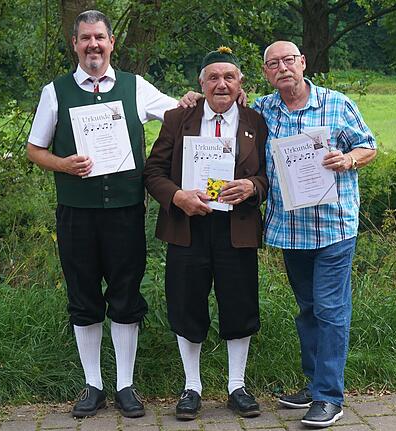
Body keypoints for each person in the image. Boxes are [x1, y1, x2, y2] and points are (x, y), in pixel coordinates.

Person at [26, 10, 181, 419]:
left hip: (126, 211)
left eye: (100, 38)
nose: (93, 45)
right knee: (83, 295)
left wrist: (213, 96)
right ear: (74, 44)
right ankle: (93, 384)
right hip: (77, 212)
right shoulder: (55, 92)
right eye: (85, 39)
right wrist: (63, 165)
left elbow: (180, 112)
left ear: (113, 42)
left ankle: (126, 385)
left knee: (126, 295)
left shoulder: (135, 87)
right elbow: (35, 149)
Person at [252, 41, 377, 428]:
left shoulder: (336, 103)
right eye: (274, 64)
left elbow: (368, 145)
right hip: (291, 230)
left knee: (329, 308)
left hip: (333, 226)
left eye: (289, 60)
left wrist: (348, 159)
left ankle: (329, 397)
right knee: (307, 309)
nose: (283, 68)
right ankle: (314, 383)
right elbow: (224, 103)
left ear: (303, 63)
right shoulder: (262, 109)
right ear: (266, 72)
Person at [143, 47, 268, 421]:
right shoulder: (177, 118)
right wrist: (177, 197)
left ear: (240, 83)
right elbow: (153, 172)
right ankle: (192, 386)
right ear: (200, 83)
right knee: (186, 304)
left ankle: (236, 385)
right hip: (188, 227)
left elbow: (268, 176)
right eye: (213, 77)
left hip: (236, 228)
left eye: (229, 76)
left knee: (240, 304)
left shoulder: (256, 121)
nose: (221, 84)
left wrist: (251, 187)